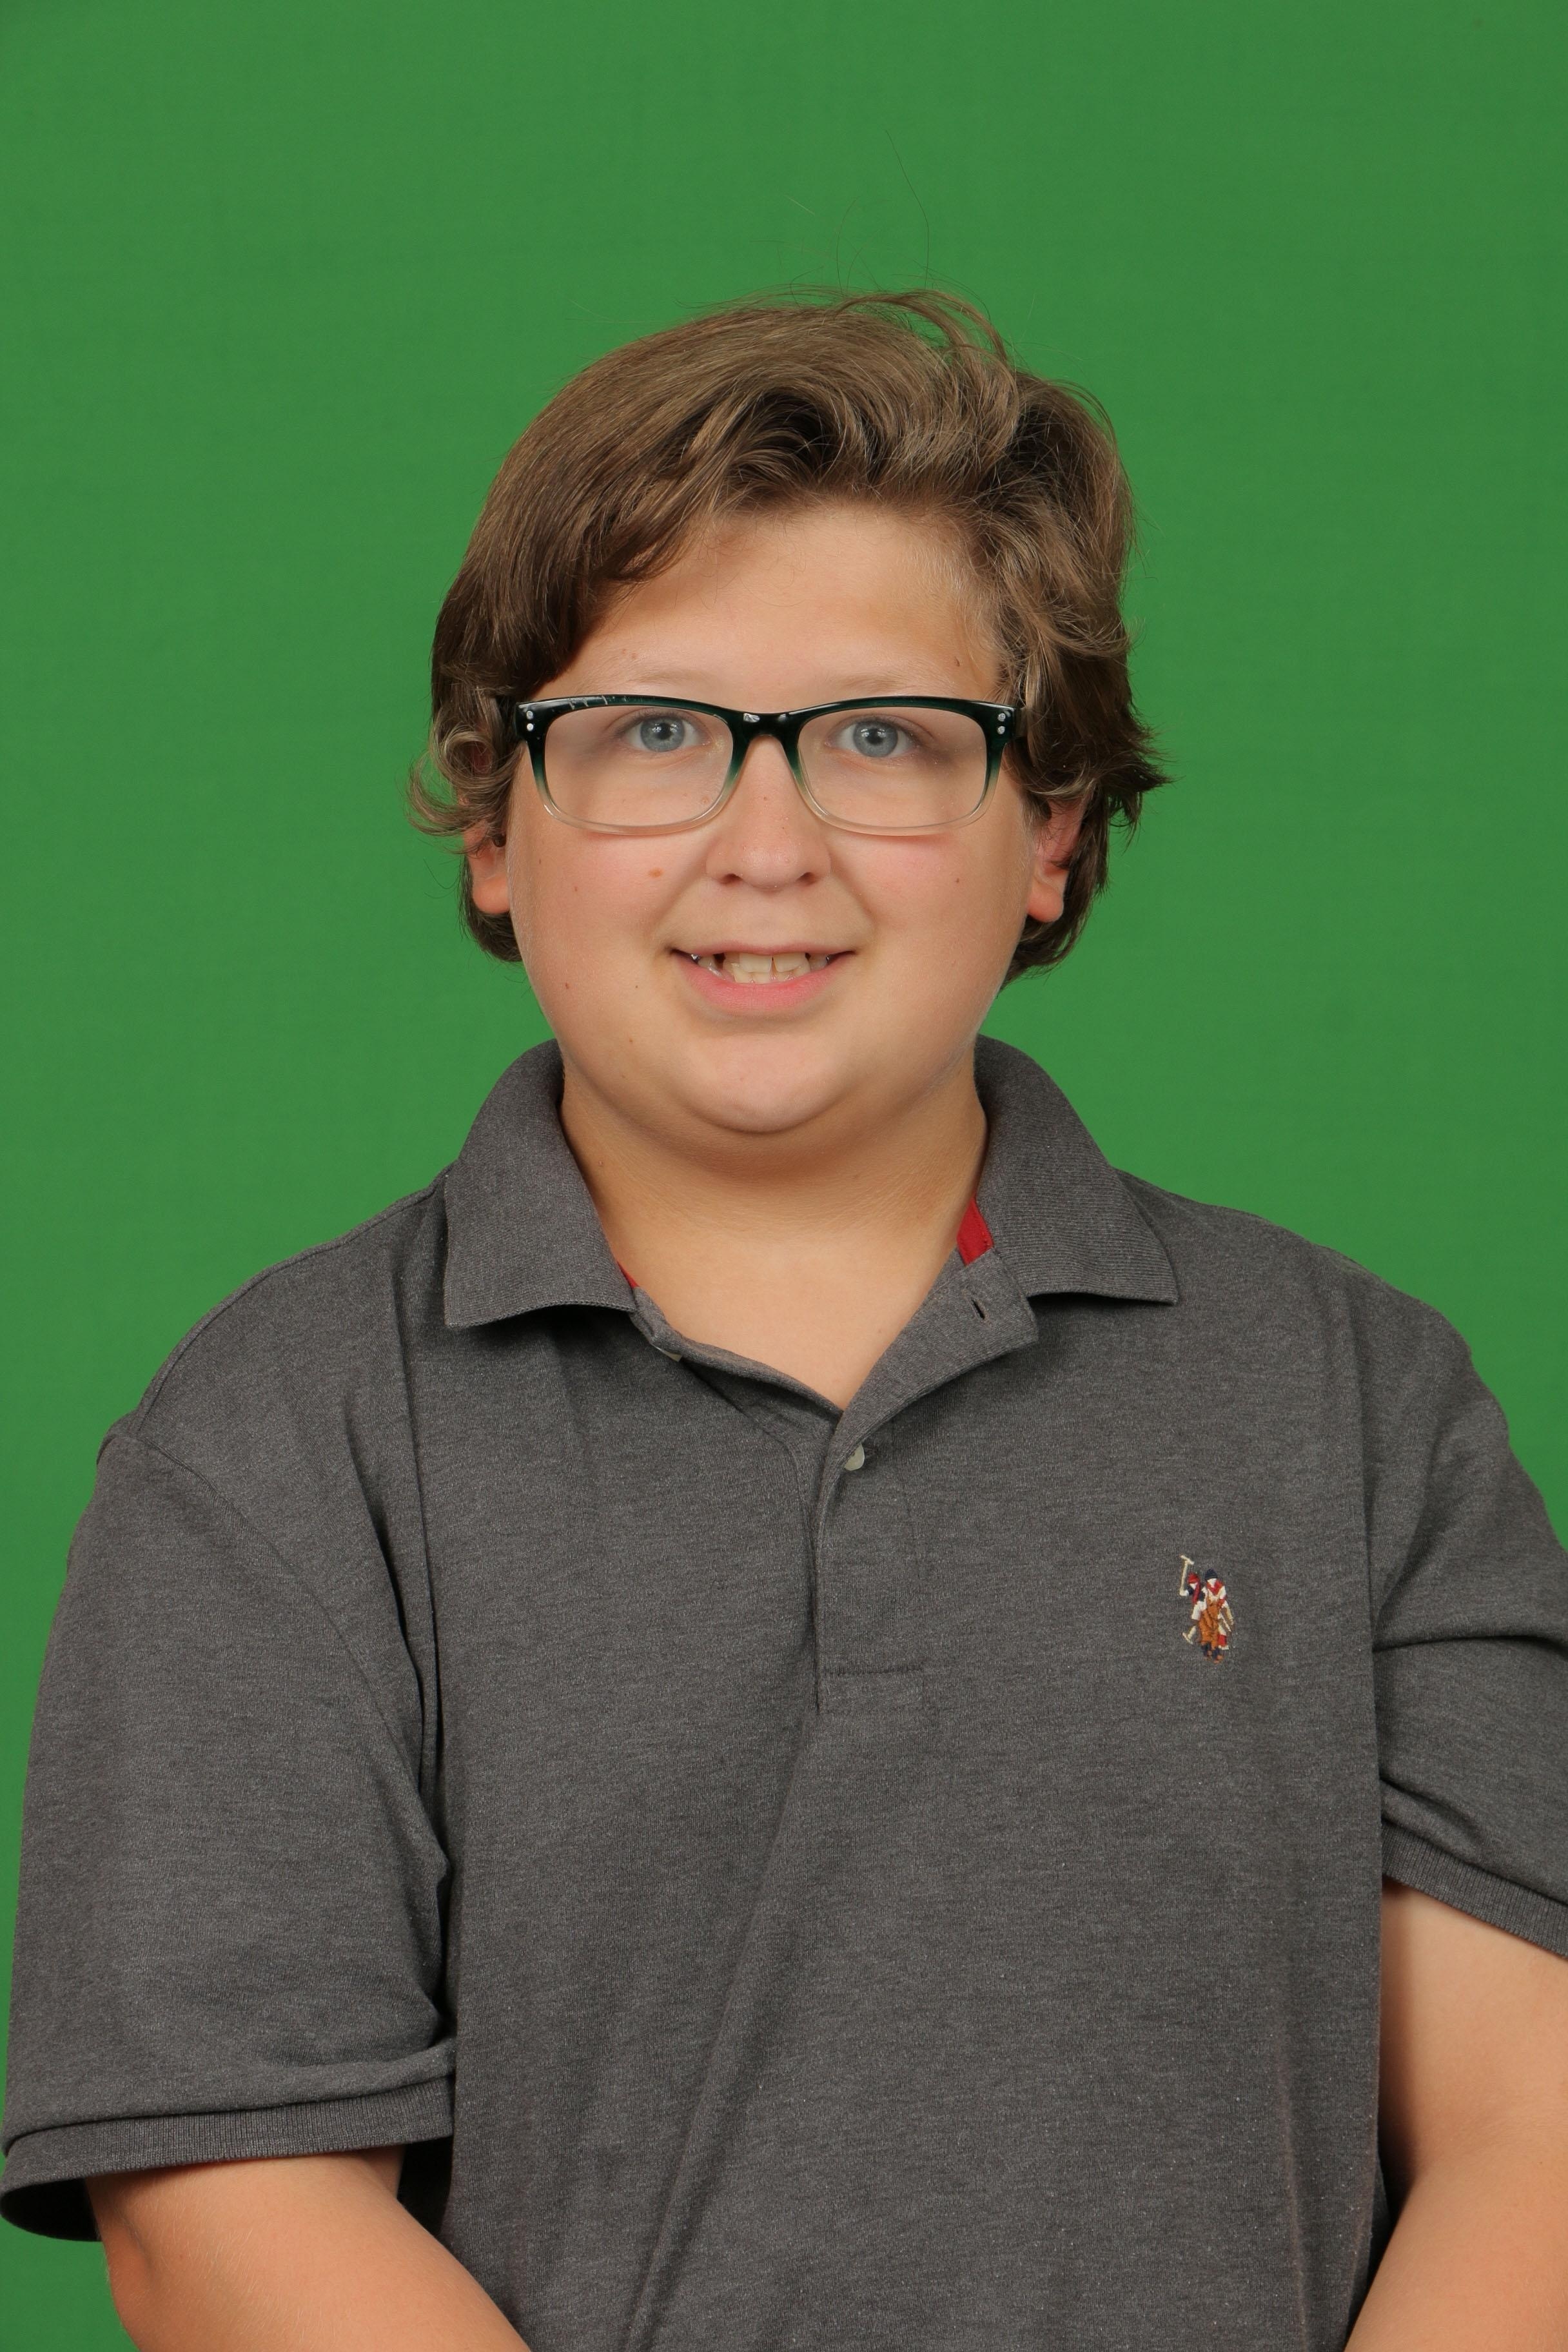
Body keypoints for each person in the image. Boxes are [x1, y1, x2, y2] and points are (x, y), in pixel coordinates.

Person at [3, 291, 1566, 2352]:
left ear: (1052, 831)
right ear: (494, 823)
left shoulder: (1355, 1403)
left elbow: (1530, 2139)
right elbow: (225, 2219)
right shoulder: (274, 1448)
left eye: (884, 739)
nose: (767, 848)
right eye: (651, 733)